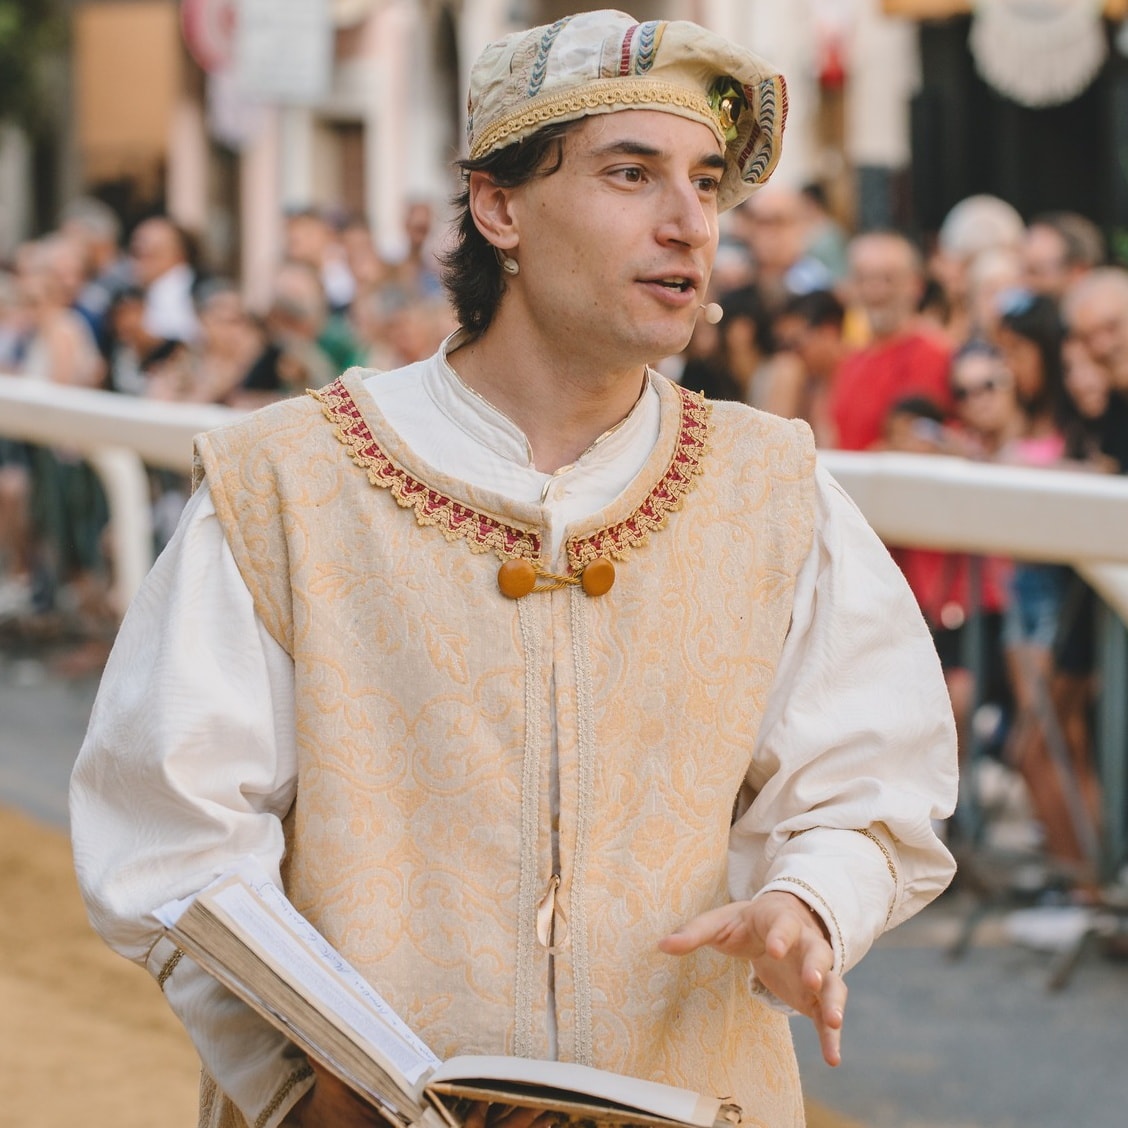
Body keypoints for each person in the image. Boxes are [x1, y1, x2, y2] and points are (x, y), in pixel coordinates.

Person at [69, 12, 957, 1128]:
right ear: (499, 207)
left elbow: (872, 782)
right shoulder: (286, 482)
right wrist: (304, 1078)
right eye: (631, 173)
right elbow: (173, 834)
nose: (689, 223)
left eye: (705, 182)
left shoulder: (773, 488)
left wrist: (810, 901)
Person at [829, 230, 952, 451]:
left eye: (888, 279)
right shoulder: (850, 360)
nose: (875, 290)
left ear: (916, 285)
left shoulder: (931, 353)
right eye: (863, 279)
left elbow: (917, 442)